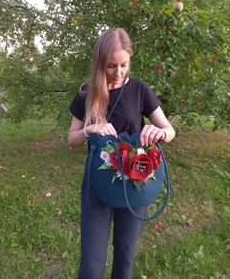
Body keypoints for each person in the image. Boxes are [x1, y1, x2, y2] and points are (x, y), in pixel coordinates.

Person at [68, 28, 175, 279]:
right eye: (111, 66)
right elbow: (71, 139)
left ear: (130, 60)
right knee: (92, 265)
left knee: (125, 256)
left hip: (135, 182)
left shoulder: (139, 89)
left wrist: (159, 133)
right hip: (97, 185)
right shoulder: (87, 92)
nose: (118, 72)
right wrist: (89, 129)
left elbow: (169, 130)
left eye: (123, 65)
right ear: (99, 63)